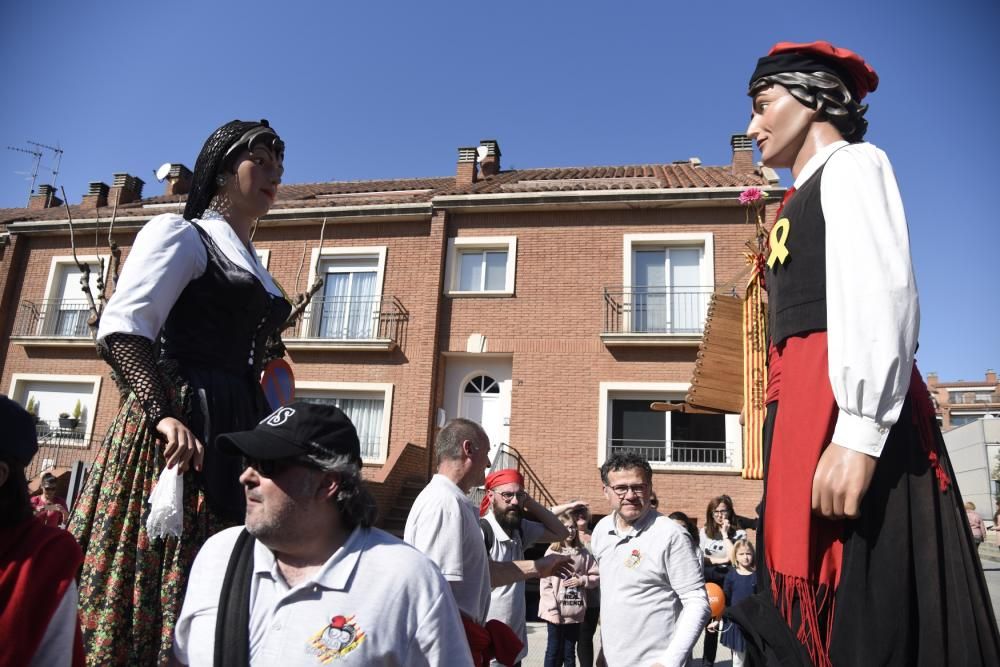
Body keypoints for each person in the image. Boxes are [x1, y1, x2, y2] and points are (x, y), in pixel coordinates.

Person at [727, 41, 1000, 665]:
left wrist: (858, 433)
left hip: (842, 410)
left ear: (814, 97)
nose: (752, 126)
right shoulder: (799, 197)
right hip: (801, 410)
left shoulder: (854, 166)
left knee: (868, 594)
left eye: (764, 105)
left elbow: (882, 292)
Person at [68, 119, 292, 665]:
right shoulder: (183, 235)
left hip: (240, 420)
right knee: (168, 562)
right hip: (183, 420)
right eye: (258, 160)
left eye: (278, 165)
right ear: (220, 170)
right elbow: (123, 328)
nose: (273, 174)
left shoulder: (252, 262)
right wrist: (161, 414)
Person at [172, 401, 471, 666]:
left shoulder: (408, 579)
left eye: (267, 465)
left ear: (327, 484)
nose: (246, 476)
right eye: (246, 462)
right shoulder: (218, 555)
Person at [404, 419, 570, 666]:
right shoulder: (444, 504)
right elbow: (436, 590)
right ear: (468, 448)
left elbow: (484, 573)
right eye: (487, 452)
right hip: (448, 649)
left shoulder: (454, 502)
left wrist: (538, 567)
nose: (490, 463)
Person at [591, 452, 709, 666]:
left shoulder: (671, 535)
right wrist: (603, 651)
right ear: (606, 491)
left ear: (650, 487)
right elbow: (613, 598)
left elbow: (697, 603)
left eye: (638, 487)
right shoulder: (601, 530)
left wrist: (669, 662)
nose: (630, 495)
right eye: (620, 488)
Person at [0, 396, 84, 666]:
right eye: (46, 488)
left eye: (51, 489)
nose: (48, 491)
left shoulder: (44, 560)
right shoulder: (38, 504)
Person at [480, 469, 569, 666]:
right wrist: (537, 567)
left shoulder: (520, 528)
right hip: (488, 648)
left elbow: (561, 532)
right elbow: (481, 575)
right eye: (507, 495)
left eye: (518, 495)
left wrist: (529, 502)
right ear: (490, 496)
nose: (513, 501)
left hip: (514, 646)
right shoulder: (482, 531)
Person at [538, 511, 599, 667]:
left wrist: (582, 580)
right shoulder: (552, 552)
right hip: (555, 612)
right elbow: (546, 584)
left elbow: (596, 576)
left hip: (574, 612)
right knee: (553, 650)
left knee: (569, 651)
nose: (570, 531)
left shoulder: (584, 553)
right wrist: (552, 610)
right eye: (566, 527)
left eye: (572, 527)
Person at [699, 495, 746, 667]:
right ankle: (707, 663)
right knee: (711, 625)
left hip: (729, 578)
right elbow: (699, 558)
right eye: (716, 511)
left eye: (723, 511)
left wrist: (726, 535)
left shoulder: (739, 533)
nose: (720, 515)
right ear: (711, 514)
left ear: (730, 511)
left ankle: (738, 662)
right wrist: (720, 560)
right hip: (710, 578)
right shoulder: (704, 532)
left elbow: (735, 559)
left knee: (732, 622)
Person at [718, 539, 757, 667]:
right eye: (741, 554)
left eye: (748, 553)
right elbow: (725, 599)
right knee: (738, 658)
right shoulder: (731, 576)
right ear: (735, 556)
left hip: (753, 622)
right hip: (736, 623)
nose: (745, 557)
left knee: (753, 656)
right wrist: (718, 619)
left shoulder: (757, 576)